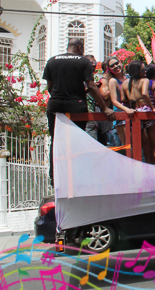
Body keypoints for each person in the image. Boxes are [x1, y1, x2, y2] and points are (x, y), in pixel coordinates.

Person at [43, 39, 114, 185]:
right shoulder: (83, 61)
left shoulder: (52, 61)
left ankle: (55, 177)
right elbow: (91, 86)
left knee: (56, 142)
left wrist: (60, 96)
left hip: (55, 106)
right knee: (76, 142)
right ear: (80, 47)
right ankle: (76, 177)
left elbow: (50, 87)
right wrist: (105, 108)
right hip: (76, 108)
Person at [123, 60, 155, 166]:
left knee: (142, 144)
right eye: (143, 69)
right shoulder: (144, 80)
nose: (145, 71)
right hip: (146, 112)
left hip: (135, 113)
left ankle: (144, 168)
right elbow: (145, 93)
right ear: (137, 70)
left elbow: (123, 99)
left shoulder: (125, 83)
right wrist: (152, 108)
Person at [104, 56, 135, 146]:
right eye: (112, 65)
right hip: (121, 116)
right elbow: (114, 101)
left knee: (137, 144)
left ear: (120, 63)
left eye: (117, 63)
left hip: (133, 113)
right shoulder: (113, 81)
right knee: (128, 145)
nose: (116, 66)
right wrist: (127, 110)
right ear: (109, 69)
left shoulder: (129, 77)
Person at [84, 54, 111, 145]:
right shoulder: (81, 78)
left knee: (102, 143)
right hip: (88, 115)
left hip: (97, 115)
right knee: (92, 144)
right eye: (91, 62)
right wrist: (91, 87)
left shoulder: (93, 79)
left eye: (94, 62)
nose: (93, 64)